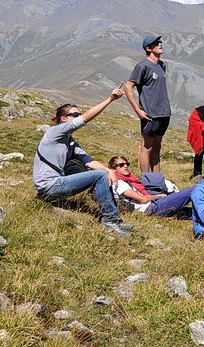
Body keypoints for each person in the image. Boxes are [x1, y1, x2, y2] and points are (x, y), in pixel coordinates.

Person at [33, 88, 131, 237]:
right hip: (49, 186)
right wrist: (110, 99)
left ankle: (114, 219)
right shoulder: (54, 132)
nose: (78, 116)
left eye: (78, 114)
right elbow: (85, 118)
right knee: (99, 175)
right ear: (63, 119)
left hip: (56, 185)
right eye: (74, 115)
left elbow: (88, 161)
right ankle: (110, 220)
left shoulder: (70, 142)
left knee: (101, 173)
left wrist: (110, 170)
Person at [125, 35, 171, 174]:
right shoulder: (142, 66)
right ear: (148, 48)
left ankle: (156, 179)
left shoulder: (161, 65)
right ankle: (146, 180)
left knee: (157, 147)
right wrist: (137, 110)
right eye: (156, 43)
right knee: (147, 148)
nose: (160, 44)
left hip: (164, 112)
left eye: (160, 42)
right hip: (150, 113)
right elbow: (128, 86)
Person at [109, 156, 194, 217]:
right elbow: (142, 199)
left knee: (197, 212)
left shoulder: (128, 180)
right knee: (193, 190)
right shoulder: (119, 183)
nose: (126, 166)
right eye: (121, 165)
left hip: (154, 204)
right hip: (152, 208)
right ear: (113, 169)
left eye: (127, 164)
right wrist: (159, 195)